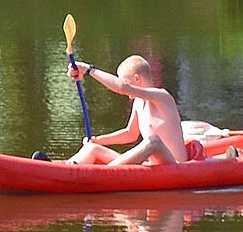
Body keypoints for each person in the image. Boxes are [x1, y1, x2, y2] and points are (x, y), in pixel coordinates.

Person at [65, 56, 219, 167]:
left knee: (154, 141)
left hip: (175, 166)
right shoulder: (139, 102)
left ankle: (105, 173)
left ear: (137, 79)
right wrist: (98, 140)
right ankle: (68, 167)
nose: (124, 88)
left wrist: (88, 69)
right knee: (92, 148)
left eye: (124, 79)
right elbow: (130, 134)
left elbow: (121, 87)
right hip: (152, 166)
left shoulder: (162, 97)